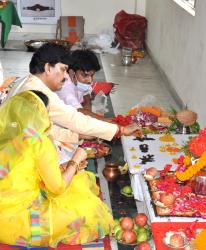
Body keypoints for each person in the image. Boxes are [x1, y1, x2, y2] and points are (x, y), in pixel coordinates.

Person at [0, 90, 114, 247]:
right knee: (87, 209)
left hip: (3, 211)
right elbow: (57, 188)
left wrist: (65, 167)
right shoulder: (38, 140)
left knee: (77, 178)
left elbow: (21, 172)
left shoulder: (8, 134)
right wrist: (76, 159)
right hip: (21, 222)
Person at [6, 43, 139, 144]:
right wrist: (119, 130)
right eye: (63, 70)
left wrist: (76, 136)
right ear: (47, 68)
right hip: (12, 156)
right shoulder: (39, 94)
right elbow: (74, 119)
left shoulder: (26, 81)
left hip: (15, 144)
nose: (65, 76)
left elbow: (39, 130)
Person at [56, 49, 108, 120]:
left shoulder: (78, 82)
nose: (90, 80)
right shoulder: (65, 89)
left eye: (92, 75)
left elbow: (86, 94)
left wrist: (88, 111)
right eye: (85, 75)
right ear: (72, 73)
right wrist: (109, 122)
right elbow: (79, 112)